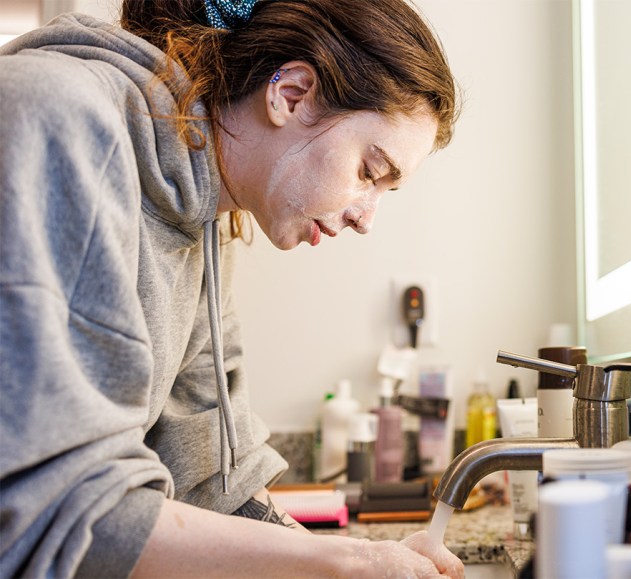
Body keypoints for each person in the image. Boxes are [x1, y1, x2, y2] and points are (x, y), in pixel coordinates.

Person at [0, 0, 462, 576]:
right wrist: (343, 563)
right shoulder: (58, 118)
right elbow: (54, 508)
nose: (366, 217)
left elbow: (214, 481)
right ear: (291, 93)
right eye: (371, 172)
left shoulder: (203, 219)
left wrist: (363, 558)